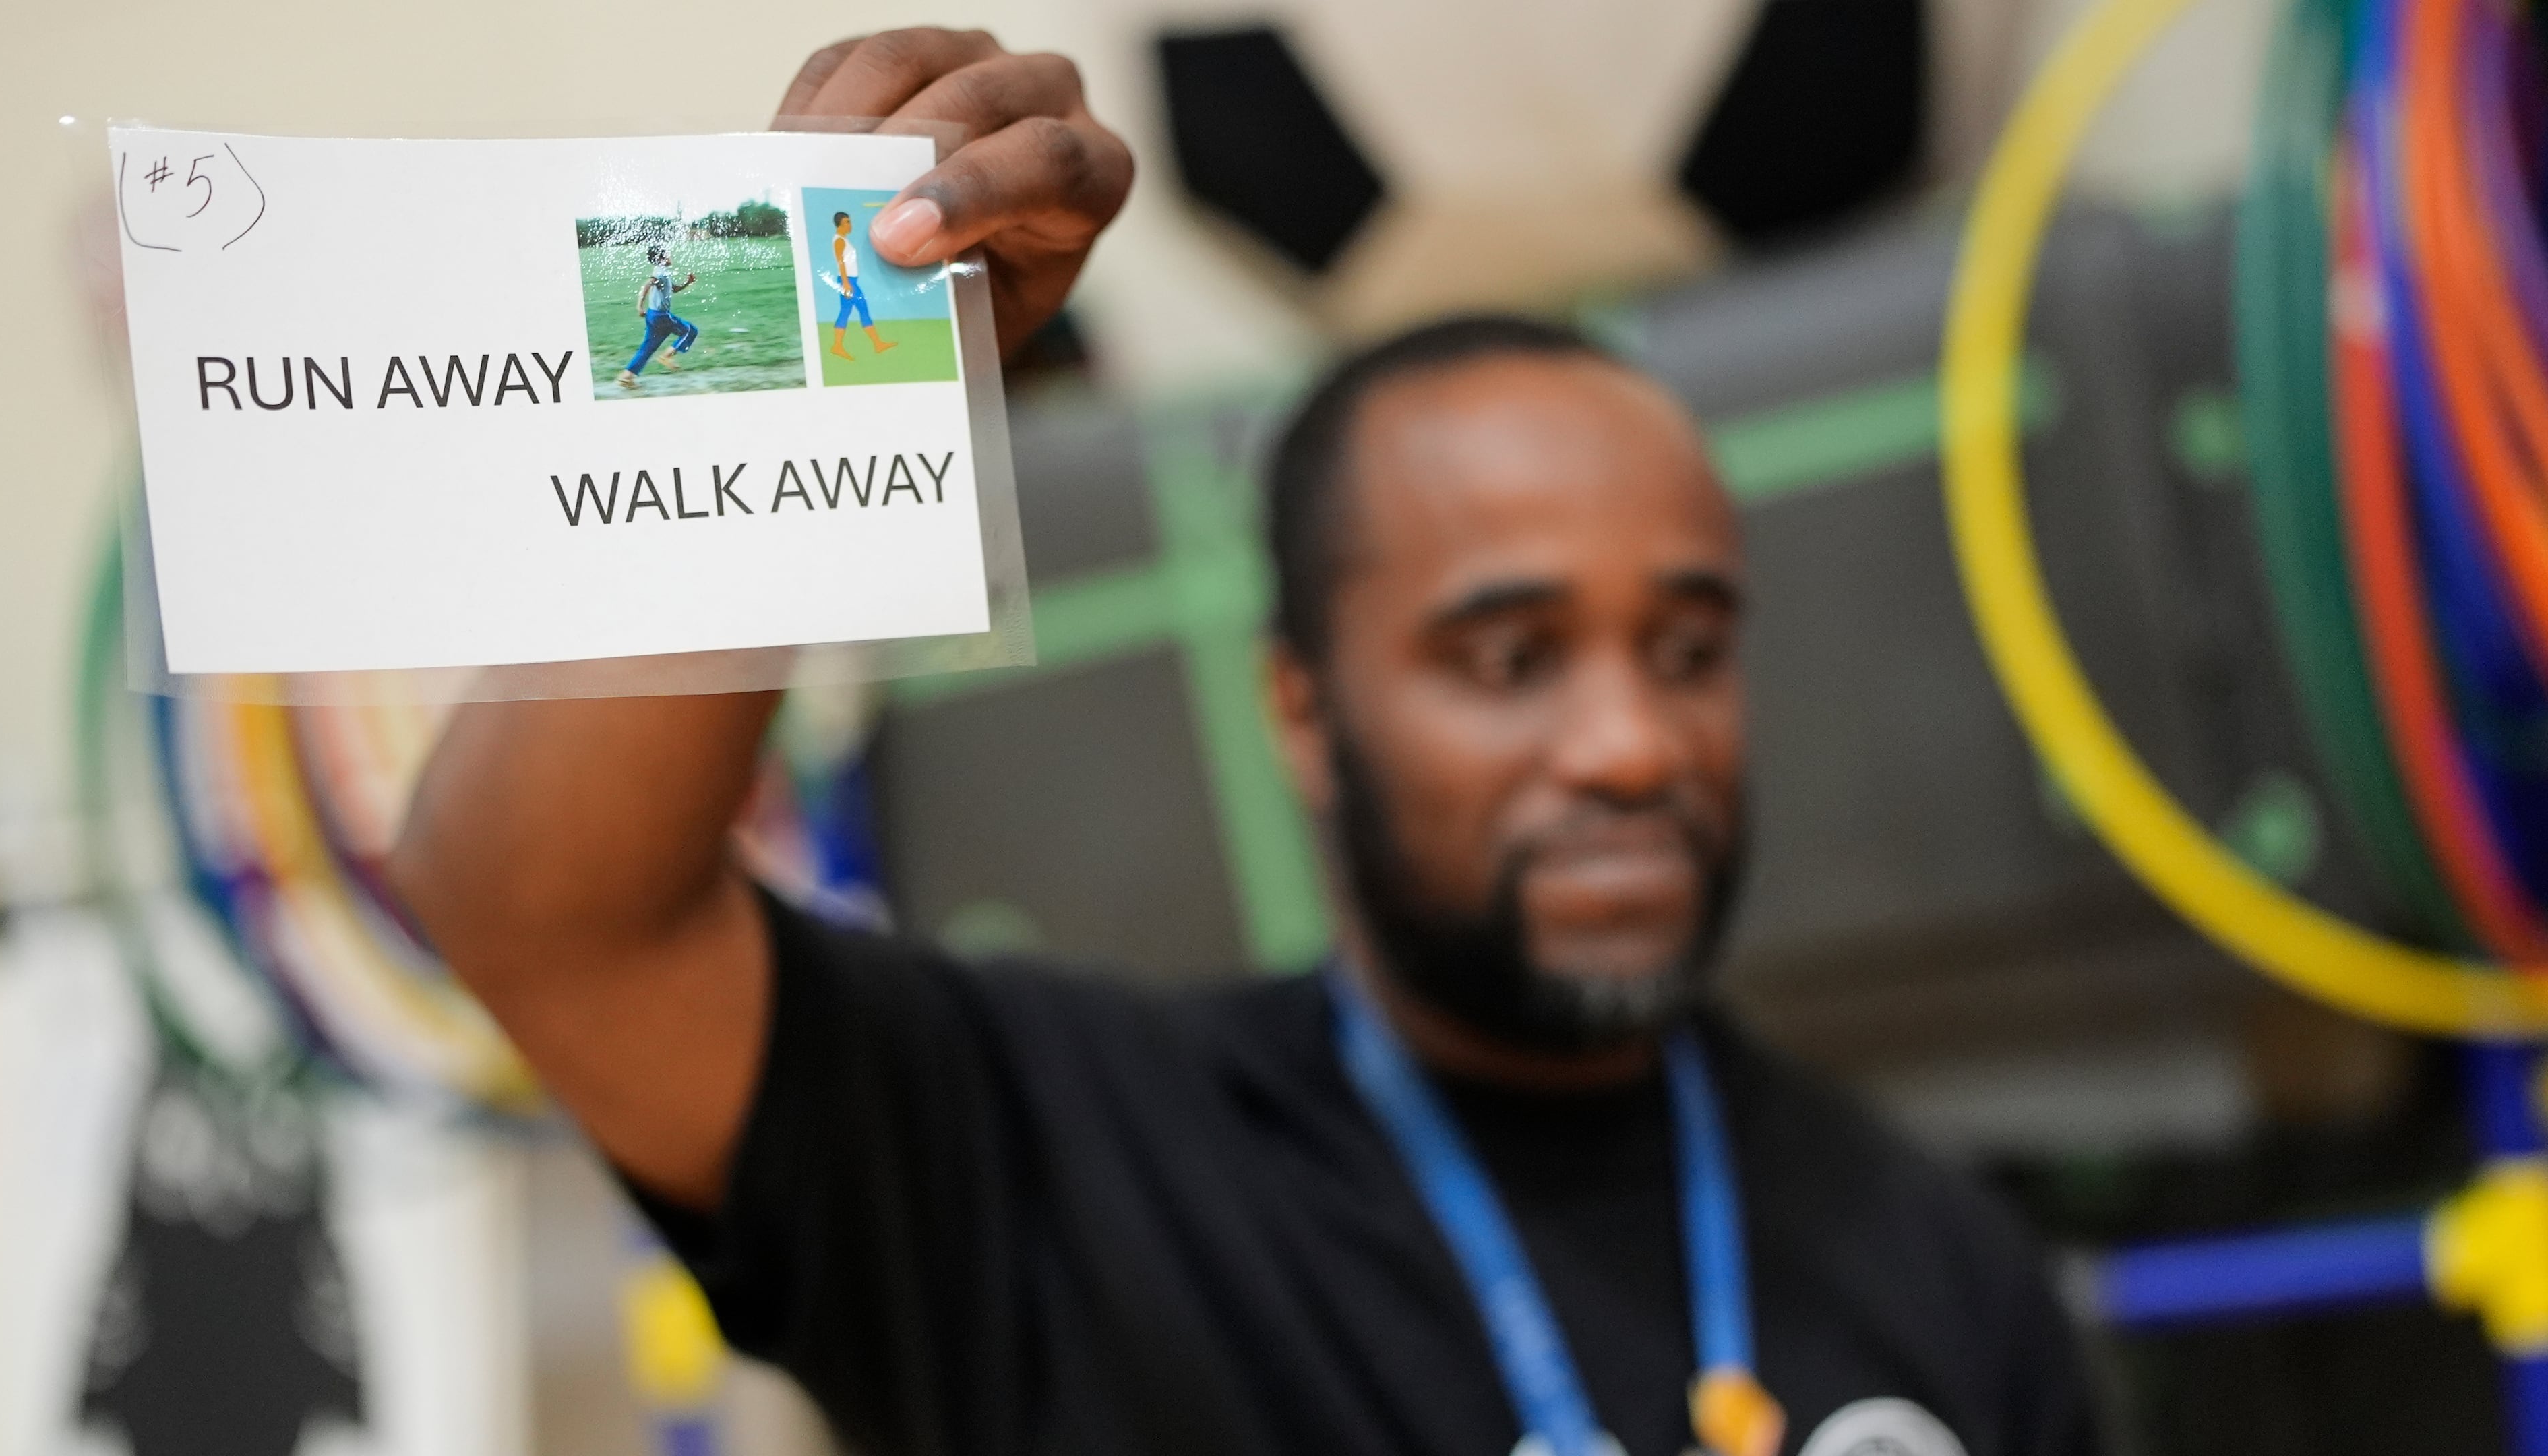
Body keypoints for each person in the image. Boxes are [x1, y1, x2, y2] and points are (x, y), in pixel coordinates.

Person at [390, 29, 2096, 1456]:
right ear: (1303, 707)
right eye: (1506, 657)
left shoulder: (1940, 1261)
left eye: (1688, 646)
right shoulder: (1055, 1157)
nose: (1629, 743)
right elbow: (544, 910)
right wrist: (794, 338)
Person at [619, 243, 699, 390]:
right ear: (662, 258)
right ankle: (666, 356)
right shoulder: (660, 273)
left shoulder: (663, 272)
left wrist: (688, 282)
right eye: (667, 254)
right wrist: (639, 306)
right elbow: (647, 285)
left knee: (648, 348)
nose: (670, 256)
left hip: (653, 316)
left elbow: (674, 289)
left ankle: (626, 376)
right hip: (662, 316)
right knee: (690, 330)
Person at [828, 208, 901, 359]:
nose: (850, 225)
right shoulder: (839, 241)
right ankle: (876, 344)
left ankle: (839, 346)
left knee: (846, 311)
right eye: (847, 222)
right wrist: (846, 284)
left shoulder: (844, 239)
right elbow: (840, 262)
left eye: (850, 222)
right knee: (861, 309)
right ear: (839, 225)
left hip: (850, 280)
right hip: (847, 281)